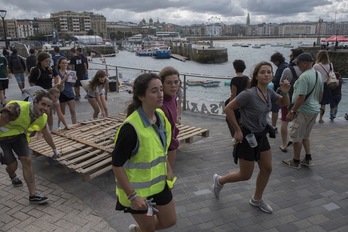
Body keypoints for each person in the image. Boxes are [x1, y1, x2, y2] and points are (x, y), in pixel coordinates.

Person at [213, 61, 290, 214]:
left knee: (267, 168)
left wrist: (286, 92)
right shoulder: (248, 93)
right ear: (256, 75)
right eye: (263, 72)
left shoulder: (269, 92)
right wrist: (237, 130)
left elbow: (283, 103)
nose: (266, 74)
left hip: (261, 135)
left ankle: (256, 199)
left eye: (269, 72)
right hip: (247, 137)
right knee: (245, 175)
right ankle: (219, 180)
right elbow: (228, 109)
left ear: (272, 75)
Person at [112, 73, 176, 232]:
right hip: (138, 192)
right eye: (154, 91)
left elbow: (161, 148)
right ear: (141, 96)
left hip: (159, 185)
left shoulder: (160, 116)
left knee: (170, 221)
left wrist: (168, 169)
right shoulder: (130, 128)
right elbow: (117, 164)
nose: (161, 94)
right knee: (149, 229)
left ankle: (136, 230)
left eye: (161, 89)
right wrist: (132, 196)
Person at [0, 91, 60, 204]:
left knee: (27, 160)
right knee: (13, 166)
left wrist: (54, 149)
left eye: (48, 106)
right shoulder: (15, 109)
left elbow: (46, 133)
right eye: (43, 104)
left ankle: (33, 195)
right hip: (2, 139)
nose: (45, 108)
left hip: (19, 137)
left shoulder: (42, 117)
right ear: (35, 102)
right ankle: (12, 175)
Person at [282, 53, 323, 169]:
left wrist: (292, 111)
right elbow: (321, 93)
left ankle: (295, 161)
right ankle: (308, 158)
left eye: (298, 63)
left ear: (305, 63)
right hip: (314, 110)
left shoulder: (304, 77)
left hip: (303, 111)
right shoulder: (317, 74)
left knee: (297, 137)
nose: (298, 66)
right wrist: (315, 103)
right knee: (305, 136)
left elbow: (301, 97)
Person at [278, 48, 303, 152]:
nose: (289, 57)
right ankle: (295, 141)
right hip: (301, 100)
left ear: (294, 57)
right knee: (298, 123)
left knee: (284, 121)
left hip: (287, 99)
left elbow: (280, 84)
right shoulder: (307, 71)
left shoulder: (288, 70)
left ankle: (284, 144)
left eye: (291, 55)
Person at [29, 52, 60, 131]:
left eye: (49, 61)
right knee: (41, 113)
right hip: (40, 94)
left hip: (50, 93)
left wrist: (58, 82)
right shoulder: (36, 70)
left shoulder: (50, 69)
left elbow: (57, 76)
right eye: (46, 61)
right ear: (40, 61)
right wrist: (41, 90)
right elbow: (32, 83)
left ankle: (50, 129)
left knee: (49, 113)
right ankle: (40, 129)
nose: (48, 63)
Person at [159, 66, 180, 169]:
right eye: (169, 83)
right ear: (162, 84)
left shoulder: (173, 97)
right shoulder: (159, 104)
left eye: (176, 82)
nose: (173, 86)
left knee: (169, 179)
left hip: (171, 142)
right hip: (161, 146)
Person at [225, 59, 250, 137]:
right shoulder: (247, 78)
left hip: (236, 103)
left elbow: (233, 94)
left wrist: (230, 106)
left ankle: (236, 136)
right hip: (245, 103)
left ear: (235, 68)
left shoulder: (234, 80)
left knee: (231, 121)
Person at [313, 50, 334, 124]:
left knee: (314, 102)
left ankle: (313, 118)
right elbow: (332, 74)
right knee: (323, 103)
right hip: (326, 85)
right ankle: (321, 118)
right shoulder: (330, 64)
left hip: (317, 85)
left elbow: (312, 75)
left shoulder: (316, 65)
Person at [270, 52, 288, 132]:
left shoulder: (281, 68)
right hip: (287, 91)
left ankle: (273, 126)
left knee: (275, 109)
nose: (274, 64)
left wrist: (272, 78)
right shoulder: (287, 65)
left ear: (277, 61)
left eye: (274, 62)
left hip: (279, 91)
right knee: (285, 108)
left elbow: (276, 80)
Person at [56, 57, 77, 126]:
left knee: (72, 110)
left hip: (70, 92)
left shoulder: (70, 72)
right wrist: (64, 79)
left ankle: (75, 124)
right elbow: (58, 86)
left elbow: (72, 85)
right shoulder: (57, 73)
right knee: (62, 112)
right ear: (59, 64)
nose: (65, 64)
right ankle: (59, 124)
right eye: (63, 63)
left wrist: (74, 80)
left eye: (66, 63)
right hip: (61, 93)